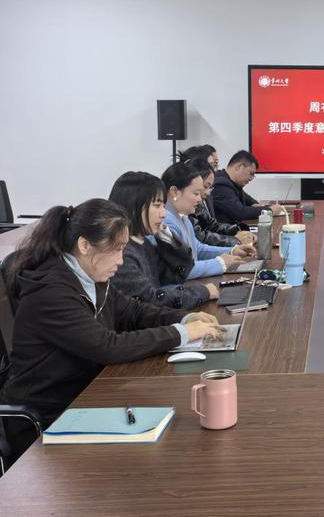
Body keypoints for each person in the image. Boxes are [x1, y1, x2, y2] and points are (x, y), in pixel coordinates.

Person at [0, 199, 224, 464]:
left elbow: (133, 312)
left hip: (84, 395)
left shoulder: (91, 276)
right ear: (85, 245)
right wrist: (182, 333)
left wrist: (185, 317)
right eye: (116, 249)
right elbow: (106, 346)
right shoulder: (51, 292)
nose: (121, 260)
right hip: (48, 416)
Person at [109, 171, 218, 308]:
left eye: (163, 206)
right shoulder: (121, 253)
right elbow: (152, 299)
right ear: (133, 206)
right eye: (157, 205)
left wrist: (167, 238)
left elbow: (174, 276)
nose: (163, 214)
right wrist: (202, 292)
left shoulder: (143, 243)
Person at [162, 163, 256, 279]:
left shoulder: (183, 217)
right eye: (195, 193)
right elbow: (183, 269)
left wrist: (232, 251)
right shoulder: (166, 223)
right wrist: (220, 263)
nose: (199, 199)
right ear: (174, 192)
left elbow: (198, 249)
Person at [189, 160, 255, 248]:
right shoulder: (188, 207)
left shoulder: (199, 203)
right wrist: (235, 240)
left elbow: (212, 225)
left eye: (210, 187)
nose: (208, 193)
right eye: (206, 186)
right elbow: (200, 238)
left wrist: (238, 230)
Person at [212, 150, 271, 225]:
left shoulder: (232, 182)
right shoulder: (220, 184)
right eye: (251, 173)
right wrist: (269, 210)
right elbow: (240, 213)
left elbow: (248, 199)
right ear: (239, 167)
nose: (251, 178)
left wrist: (254, 203)